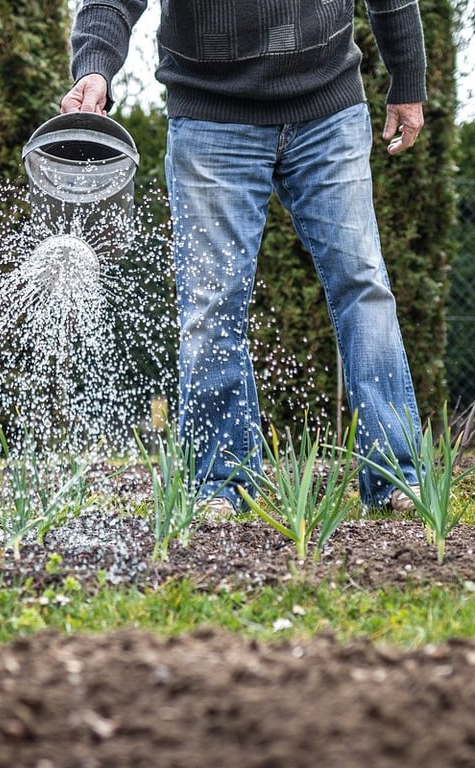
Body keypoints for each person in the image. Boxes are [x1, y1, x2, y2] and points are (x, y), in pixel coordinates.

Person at [61, 0, 425, 514]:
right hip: (211, 119)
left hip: (328, 110)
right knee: (210, 310)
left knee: (363, 287)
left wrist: (408, 80)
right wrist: (95, 68)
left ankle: (395, 480)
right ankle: (220, 484)